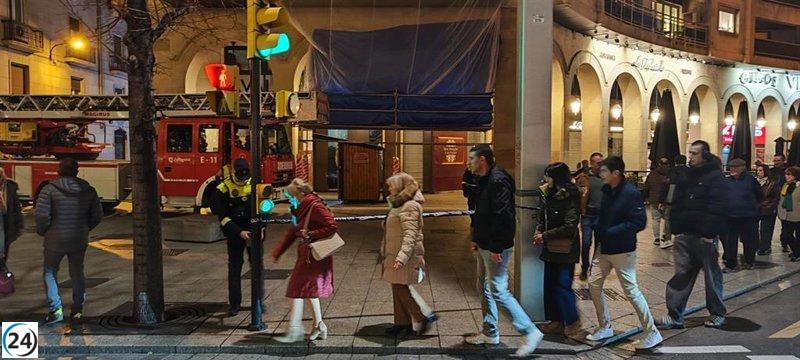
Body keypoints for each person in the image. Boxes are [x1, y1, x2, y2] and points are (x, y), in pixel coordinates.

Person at [464, 145, 544, 357]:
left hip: (495, 245)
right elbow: (480, 213)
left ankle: (530, 331)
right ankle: (490, 333)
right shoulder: (482, 179)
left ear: (482, 159)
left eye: (471, 158)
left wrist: (497, 246)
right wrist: (476, 237)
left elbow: (504, 216)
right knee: (483, 287)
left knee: (498, 289)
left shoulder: (498, 180)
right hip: (484, 242)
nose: (469, 162)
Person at [584, 156, 662, 349]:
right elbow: (604, 216)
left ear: (615, 173)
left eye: (603, 171)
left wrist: (611, 231)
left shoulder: (631, 193)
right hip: (604, 248)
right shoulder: (607, 190)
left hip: (622, 249)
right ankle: (605, 326)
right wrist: (599, 228)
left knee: (631, 290)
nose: (600, 173)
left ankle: (652, 331)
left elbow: (639, 222)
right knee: (593, 284)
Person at [656, 140, 727, 330]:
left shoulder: (715, 177)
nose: (690, 157)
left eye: (695, 153)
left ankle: (717, 313)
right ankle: (675, 315)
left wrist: (709, 233)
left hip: (704, 236)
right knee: (681, 275)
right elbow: (677, 200)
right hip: (684, 234)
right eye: (690, 153)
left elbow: (717, 206)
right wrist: (676, 227)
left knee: (712, 277)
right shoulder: (685, 175)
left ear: (705, 155)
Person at [35, 158, 102, 323]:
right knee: (77, 273)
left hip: (54, 239)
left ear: (59, 171)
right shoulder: (88, 190)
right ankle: (77, 309)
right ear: (77, 171)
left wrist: (44, 231)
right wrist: (84, 228)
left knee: (50, 272)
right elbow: (97, 215)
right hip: (78, 238)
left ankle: (55, 309)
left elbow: (42, 216)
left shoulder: (49, 190)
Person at [271, 178, 337, 342]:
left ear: (301, 194)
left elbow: (332, 225)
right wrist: (279, 251)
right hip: (307, 255)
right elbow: (293, 231)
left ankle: (294, 330)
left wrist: (310, 234)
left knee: (296, 290)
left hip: (313, 256)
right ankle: (319, 325)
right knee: (308, 290)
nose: (290, 200)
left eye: (291, 196)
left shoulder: (314, 206)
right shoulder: (300, 208)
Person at [380, 173, 437, 336]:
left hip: (404, 255)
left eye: (391, 185)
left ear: (399, 187)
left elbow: (410, 235)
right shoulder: (398, 204)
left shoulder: (410, 206)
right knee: (397, 285)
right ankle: (402, 323)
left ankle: (421, 317)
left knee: (400, 287)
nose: (389, 188)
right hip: (394, 251)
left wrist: (402, 257)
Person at [534, 163, 582, 337]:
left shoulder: (571, 195)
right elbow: (543, 216)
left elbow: (570, 225)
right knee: (550, 285)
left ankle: (573, 323)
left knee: (562, 286)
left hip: (565, 249)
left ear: (557, 178)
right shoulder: (548, 193)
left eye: (548, 176)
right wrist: (539, 230)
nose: (546, 179)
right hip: (550, 247)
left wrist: (545, 235)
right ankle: (556, 322)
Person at [213, 158, 255, 316]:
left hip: (253, 232)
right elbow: (223, 217)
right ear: (233, 173)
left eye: (245, 177)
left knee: (256, 268)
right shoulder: (222, 188)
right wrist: (239, 232)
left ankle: (257, 302)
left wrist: (262, 228)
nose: (243, 181)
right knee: (235, 269)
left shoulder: (254, 183)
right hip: (235, 234)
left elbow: (263, 208)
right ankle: (235, 304)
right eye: (240, 177)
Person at [721, 158, 763, 272]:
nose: (732, 169)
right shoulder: (727, 181)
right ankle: (731, 264)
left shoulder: (750, 180)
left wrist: (753, 206)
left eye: (735, 167)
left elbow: (760, 195)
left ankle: (749, 261)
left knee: (749, 240)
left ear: (742, 168)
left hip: (748, 216)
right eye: (730, 167)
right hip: (730, 216)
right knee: (730, 242)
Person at [575, 152, 604, 281]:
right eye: (598, 163)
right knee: (586, 243)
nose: (601, 165)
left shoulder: (606, 178)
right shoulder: (584, 178)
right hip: (587, 216)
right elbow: (578, 194)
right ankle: (585, 266)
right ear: (591, 163)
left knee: (599, 245)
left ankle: (594, 268)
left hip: (601, 216)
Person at [0, 167, 23, 276]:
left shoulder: (10, 187)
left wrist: (20, 225)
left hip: (6, 223)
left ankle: (2, 272)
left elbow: (16, 207)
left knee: (4, 248)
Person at [644, 156, 670, 247]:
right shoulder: (671, 174)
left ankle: (657, 238)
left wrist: (646, 197)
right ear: (668, 164)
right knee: (667, 219)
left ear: (659, 164)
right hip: (667, 201)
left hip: (654, 200)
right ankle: (665, 236)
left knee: (656, 219)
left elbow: (646, 187)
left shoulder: (652, 174)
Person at [756, 164, 780, 256]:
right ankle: (758, 246)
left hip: (767, 209)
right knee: (755, 229)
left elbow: (775, 197)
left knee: (765, 229)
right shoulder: (755, 182)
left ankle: (765, 247)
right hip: (756, 208)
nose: (759, 172)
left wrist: (769, 206)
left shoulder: (772, 183)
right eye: (758, 170)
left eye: (761, 170)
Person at [777, 166, 800, 262]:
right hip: (785, 215)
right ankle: (796, 251)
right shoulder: (785, 185)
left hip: (797, 215)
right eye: (786, 174)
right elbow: (782, 199)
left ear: (795, 176)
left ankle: (797, 253)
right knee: (787, 235)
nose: (786, 176)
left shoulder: (798, 186)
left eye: (789, 174)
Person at [772, 154, 791, 253]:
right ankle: (766, 244)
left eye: (778, 160)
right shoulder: (772, 171)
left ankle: (784, 243)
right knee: (769, 224)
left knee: (785, 223)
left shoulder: (788, 172)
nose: (775, 162)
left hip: (783, 199)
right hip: (772, 200)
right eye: (774, 160)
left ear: (783, 161)